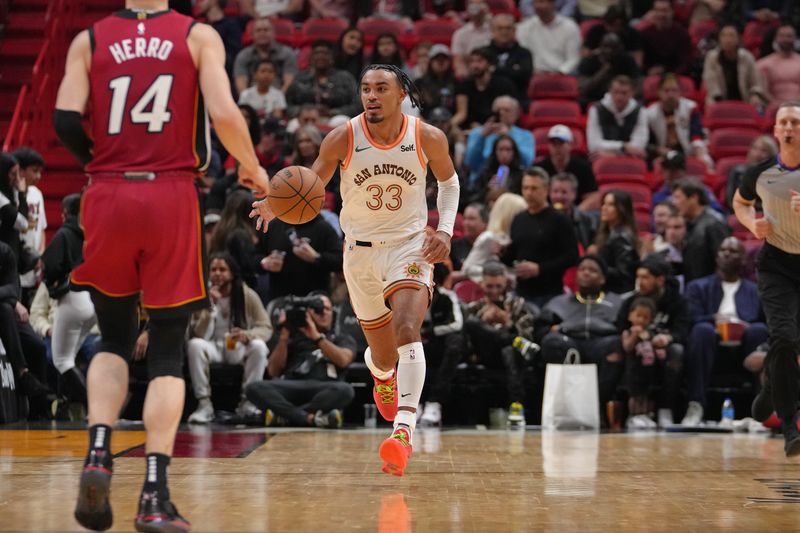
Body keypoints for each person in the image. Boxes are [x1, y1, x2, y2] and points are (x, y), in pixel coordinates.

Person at [54, 2, 271, 530]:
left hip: (106, 195)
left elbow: (63, 119)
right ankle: (154, 494)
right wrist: (251, 166)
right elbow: (222, 113)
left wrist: (97, 163)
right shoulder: (198, 36)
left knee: (112, 338)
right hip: (171, 195)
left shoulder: (89, 38)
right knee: (169, 352)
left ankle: (99, 453)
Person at [252, 64, 460, 477]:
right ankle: (380, 371)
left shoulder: (426, 136)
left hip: (409, 247)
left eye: (381, 88)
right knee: (383, 356)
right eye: (366, 88)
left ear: (401, 95)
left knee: (406, 330)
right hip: (359, 254)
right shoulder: (344, 136)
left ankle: (403, 431)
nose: (371, 95)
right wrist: (277, 204)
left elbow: (449, 183)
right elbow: (312, 183)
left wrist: (447, 232)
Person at [732, 101, 800, 456]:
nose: (789, 128)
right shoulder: (759, 173)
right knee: (785, 337)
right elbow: (740, 202)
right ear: (775, 131)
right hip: (775, 263)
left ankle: (772, 387)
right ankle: (790, 427)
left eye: (795, 122)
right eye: (783, 122)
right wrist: (751, 223)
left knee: (792, 348)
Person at [682, 237, 768, 426]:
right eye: (723, 250)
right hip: (709, 344)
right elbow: (689, 320)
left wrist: (744, 326)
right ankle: (695, 405)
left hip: (745, 346)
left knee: (759, 331)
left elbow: (765, 321)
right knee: (702, 330)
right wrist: (713, 319)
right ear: (716, 256)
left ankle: (763, 408)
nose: (727, 253)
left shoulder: (756, 291)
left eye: (733, 251)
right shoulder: (697, 287)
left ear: (744, 259)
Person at [246, 291, 355, 428]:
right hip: (291, 385)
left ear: (333, 313)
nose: (323, 313)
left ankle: (286, 416)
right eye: (318, 309)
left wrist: (317, 337)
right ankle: (309, 418)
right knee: (254, 388)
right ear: (308, 312)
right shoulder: (293, 338)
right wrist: (284, 336)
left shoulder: (341, 338)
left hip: (323, 387)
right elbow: (273, 371)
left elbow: (344, 360)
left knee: (345, 390)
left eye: (328, 309)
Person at [12, 147, 47, 309]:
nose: (38, 176)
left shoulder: (37, 194)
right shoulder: (9, 195)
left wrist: (40, 255)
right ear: (21, 170)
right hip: (14, 266)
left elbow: (42, 228)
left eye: (40, 172)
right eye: (34, 171)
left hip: (33, 267)